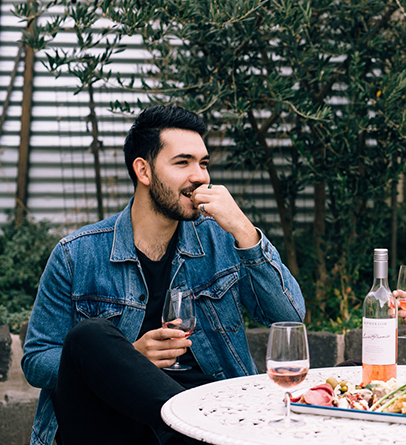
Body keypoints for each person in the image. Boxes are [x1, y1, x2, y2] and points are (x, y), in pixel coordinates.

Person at [22, 105, 305, 445]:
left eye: (204, 164)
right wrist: (129, 357)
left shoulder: (222, 239)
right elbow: (37, 360)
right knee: (89, 337)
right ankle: (186, 426)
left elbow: (290, 318)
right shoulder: (77, 254)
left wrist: (244, 231)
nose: (200, 176)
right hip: (110, 425)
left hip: (211, 412)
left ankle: (188, 427)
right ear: (143, 170)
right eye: (183, 162)